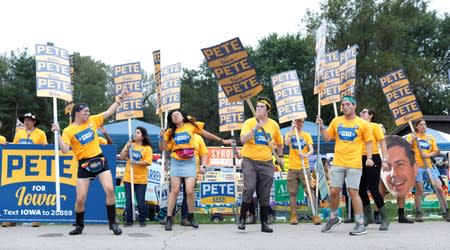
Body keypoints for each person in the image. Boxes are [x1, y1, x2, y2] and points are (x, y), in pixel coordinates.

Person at [52, 90, 128, 235]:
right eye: (85, 111)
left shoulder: (93, 120)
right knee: (80, 199)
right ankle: (79, 225)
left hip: (99, 159)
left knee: (110, 190)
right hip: (84, 164)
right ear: (77, 113)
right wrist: (57, 134)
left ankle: (113, 223)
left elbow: (109, 111)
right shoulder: (68, 130)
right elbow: (65, 150)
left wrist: (120, 99)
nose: (88, 113)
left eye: (88, 111)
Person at [159, 109, 232, 231]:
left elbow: (206, 134)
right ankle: (169, 218)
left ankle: (191, 216)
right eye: (172, 115)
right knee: (175, 191)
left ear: (183, 116)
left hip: (190, 161)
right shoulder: (169, 132)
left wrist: (222, 141)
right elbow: (163, 148)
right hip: (176, 162)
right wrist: (161, 138)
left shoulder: (191, 126)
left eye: (177, 114)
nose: (175, 116)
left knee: (190, 191)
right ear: (171, 120)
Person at [316, 96, 373, 236]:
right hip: (338, 162)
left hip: (354, 163)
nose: (345, 106)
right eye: (343, 105)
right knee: (334, 191)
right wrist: (322, 127)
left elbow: (369, 142)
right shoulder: (336, 121)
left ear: (354, 106)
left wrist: (370, 158)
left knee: (353, 192)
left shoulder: (363, 124)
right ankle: (333, 218)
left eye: (348, 104)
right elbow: (327, 138)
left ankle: (360, 223)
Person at [238, 96, 283, 233]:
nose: (259, 109)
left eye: (262, 107)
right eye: (257, 106)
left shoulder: (274, 125)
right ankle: (242, 218)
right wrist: (255, 130)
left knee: (265, 193)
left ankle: (264, 223)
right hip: (249, 161)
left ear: (268, 110)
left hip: (267, 162)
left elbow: (279, 143)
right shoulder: (249, 122)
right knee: (249, 187)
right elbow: (242, 139)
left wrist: (280, 157)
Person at [2, 113, 48, 228]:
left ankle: (35, 218)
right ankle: (12, 218)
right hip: (19, 167)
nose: (27, 122)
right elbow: (14, 147)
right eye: (25, 120)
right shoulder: (19, 133)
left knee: (35, 192)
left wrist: (44, 145)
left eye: (29, 120)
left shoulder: (41, 133)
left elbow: (46, 146)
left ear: (34, 122)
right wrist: (8, 144)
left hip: (35, 167)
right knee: (16, 191)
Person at [405, 119, 449, 222]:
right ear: (416, 127)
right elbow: (405, 148)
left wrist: (427, 155)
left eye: (425, 124)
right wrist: (412, 141)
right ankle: (418, 212)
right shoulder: (411, 136)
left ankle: (446, 210)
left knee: (439, 188)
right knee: (419, 190)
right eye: (421, 124)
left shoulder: (431, 138)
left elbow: (436, 151)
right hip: (417, 166)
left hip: (429, 166)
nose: (423, 126)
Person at [285, 118, 321, 225]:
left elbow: (311, 150)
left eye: (301, 121)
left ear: (303, 123)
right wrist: (292, 129)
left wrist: (305, 155)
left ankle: (315, 215)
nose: (299, 123)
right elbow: (286, 143)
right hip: (292, 167)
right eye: (297, 121)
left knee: (310, 191)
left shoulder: (306, 135)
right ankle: (293, 215)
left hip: (304, 167)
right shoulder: (289, 133)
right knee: (292, 193)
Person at [358, 108, 389, 230]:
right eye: (361, 112)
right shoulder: (357, 126)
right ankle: (368, 216)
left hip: (374, 158)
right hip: (358, 159)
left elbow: (382, 143)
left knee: (373, 189)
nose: (361, 114)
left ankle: (384, 218)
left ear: (371, 115)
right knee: (360, 189)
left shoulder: (375, 126)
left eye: (364, 112)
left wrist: (385, 160)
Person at [119, 127, 153, 227]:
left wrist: (136, 162)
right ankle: (128, 221)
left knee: (140, 200)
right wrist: (127, 147)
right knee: (128, 200)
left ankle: (142, 220)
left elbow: (147, 162)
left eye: (138, 133)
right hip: (129, 177)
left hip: (141, 179)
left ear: (142, 136)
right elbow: (121, 156)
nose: (135, 134)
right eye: (135, 132)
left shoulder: (147, 148)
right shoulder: (130, 144)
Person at [180, 134, 208, 226]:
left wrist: (203, 166)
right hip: (178, 167)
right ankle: (168, 216)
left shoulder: (198, 137)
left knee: (188, 193)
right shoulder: (178, 134)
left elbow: (203, 153)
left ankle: (186, 218)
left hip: (192, 169)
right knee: (173, 191)